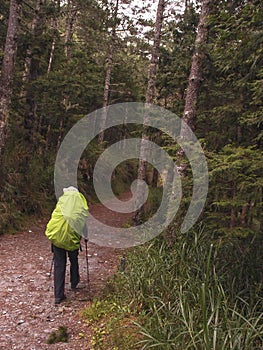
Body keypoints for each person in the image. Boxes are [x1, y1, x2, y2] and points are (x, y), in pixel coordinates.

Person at [45, 186, 89, 305]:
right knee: (73, 259)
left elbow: (55, 217)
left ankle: (58, 296)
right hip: (71, 239)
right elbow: (82, 221)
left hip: (57, 237)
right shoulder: (79, 205)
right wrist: (86, 235)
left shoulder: (62, 202)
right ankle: (74, 282)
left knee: (59, 264)